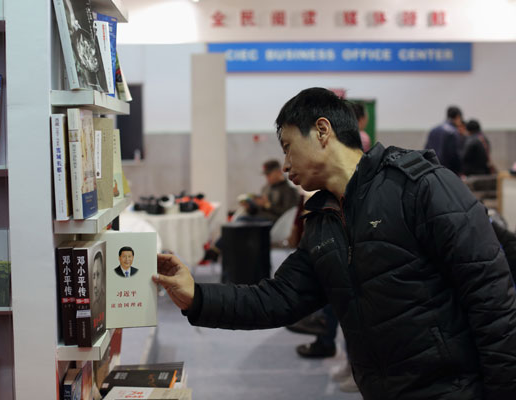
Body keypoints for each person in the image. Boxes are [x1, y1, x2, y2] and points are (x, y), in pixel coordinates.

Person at [154, 87, 516, 400]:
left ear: (322, 131)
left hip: (454, 390)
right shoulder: (324, 222)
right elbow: (278, 299)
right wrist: (196, 297)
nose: (285, 165)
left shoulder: (420, 187)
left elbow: (493, 302)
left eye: (288, 147)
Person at [424, 105, 465, 174]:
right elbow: (454, 156)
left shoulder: (433, 130)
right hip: (447, 172)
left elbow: (426, 150)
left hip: (432, 170)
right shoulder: (453, 132)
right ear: (458, 117)